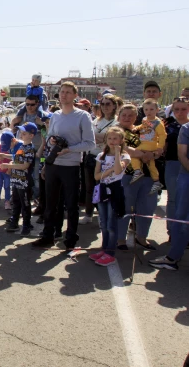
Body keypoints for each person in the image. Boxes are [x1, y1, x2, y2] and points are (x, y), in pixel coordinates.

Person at [32, 81, 96, 249]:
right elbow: (50, 140)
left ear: (75, 96)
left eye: (68, 92)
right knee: (51, 204)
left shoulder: (83, 116)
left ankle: (71, 239)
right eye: (62, 92)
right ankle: (48, 236)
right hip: (54, 164)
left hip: (72, 166)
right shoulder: (56, 115)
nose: (64, 95)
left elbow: (90, 144)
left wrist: (69, 149)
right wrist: (47, 162)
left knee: (71, 205)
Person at [115, 104, 159, 251]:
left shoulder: (143, 130)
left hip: (147, 175)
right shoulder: (115, 131)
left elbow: (157, 146)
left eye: (131, 115)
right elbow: (124, 149)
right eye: (124, 115)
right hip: (125, 175)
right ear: (119, 116)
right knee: (125, 208)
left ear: (136, 117)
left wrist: (153, 154)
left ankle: (141, 237)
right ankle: (120, 239)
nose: (127, 118)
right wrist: (144, 154)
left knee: (147, 208)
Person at [149, 120, 189, 271]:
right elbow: (182, 155)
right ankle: (173, 258)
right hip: (187, 177)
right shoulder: (186, 128)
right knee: (182, 218)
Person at [89, 127, 130, 267]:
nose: (112, 141)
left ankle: (110, 253)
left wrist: (117, 154)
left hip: (115, 190)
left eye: (115, 139)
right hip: (102, 190)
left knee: (111, 224)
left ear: (121, 140)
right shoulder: (101, 155)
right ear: (106, 140)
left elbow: (119, 170)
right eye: (110, 139)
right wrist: (109, 171)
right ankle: (104, 249)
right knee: (104, 222)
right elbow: (96, 176)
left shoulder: (125, 156)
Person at [80, 94, 120, 224]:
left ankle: (104, 215)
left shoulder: (117, 122)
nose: (105, 107)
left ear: (114, 106)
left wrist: (99, 137)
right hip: (91, 156)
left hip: (107, 159)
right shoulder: (96, 121)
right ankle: (88, 214)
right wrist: (100, 137)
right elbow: (87, 137)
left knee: (104, 188)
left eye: (108, 104)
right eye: (102, 104)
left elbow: (109, 138)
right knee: (89, 188)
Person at [2, 123, 37, 236]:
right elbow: (17, 159)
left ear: (31, 135)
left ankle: (26, 225)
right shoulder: (22, 147)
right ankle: (15, 222)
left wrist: (8, 166)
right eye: (21, 132)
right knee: (16, 202)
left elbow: (24, 165)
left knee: (25, 204)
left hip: (24, 182)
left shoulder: (30, 149)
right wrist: (5, 157)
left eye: (24, 133)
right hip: (17, 180)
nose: (21, 135)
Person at [163, 97, 189, 236]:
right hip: (172, 164)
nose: (180, 112)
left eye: (183, 109)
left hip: (187, 165)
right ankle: (172, 232)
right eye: (177, 109)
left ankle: (185, 232)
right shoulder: (167, 126)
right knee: (173, 199)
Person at [130, 99, 166, 194]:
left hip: (150, 144)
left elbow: (162, 135)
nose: (148, 112)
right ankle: (156, 181)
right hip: (144, 142)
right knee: (151, 164)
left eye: (151, 109)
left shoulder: (158, 123)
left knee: (134, 154)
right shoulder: (145, 119)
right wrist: (136, 128)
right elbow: (142, 126)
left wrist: (160, 147)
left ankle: (138, 170)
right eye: (146, 109)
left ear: (157, 110)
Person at [0, 131, 14, 209]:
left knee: (7, 186)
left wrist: (9, 168)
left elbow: (13, 158)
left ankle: (7, 201)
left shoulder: (10, 148)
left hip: (7, 171)